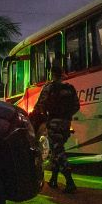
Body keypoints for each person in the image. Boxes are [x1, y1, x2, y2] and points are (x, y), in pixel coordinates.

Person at [30, 63, 80, 193]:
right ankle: (53, 179)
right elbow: (76, 106)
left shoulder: (48, 88)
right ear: (62, 73)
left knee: (58, 152)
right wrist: (66, 116)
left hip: (53, 123)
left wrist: (39, 116)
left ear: (52, 74)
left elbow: (39, 105)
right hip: (66, 124)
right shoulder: (70, 88)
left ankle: (70, 181)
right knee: (56, 150)